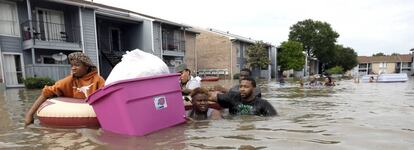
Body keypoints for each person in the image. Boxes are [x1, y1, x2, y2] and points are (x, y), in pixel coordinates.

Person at [24, 52, 105, 126]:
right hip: (71, 115)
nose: (73, 68)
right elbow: (46, 93)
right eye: (72, 65)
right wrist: (30, 114)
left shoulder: (98, 80)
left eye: (77, 65)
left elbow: (107, 97)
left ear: (87, 66)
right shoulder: (69, 80)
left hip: (92, 116)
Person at [211, 77, 277, 116]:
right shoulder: (232, 97)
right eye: (241, 86)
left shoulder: (263, 103)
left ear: (254, 88)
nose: (242, 89)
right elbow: (211, 97)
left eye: (246, 87)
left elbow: (273, 119)